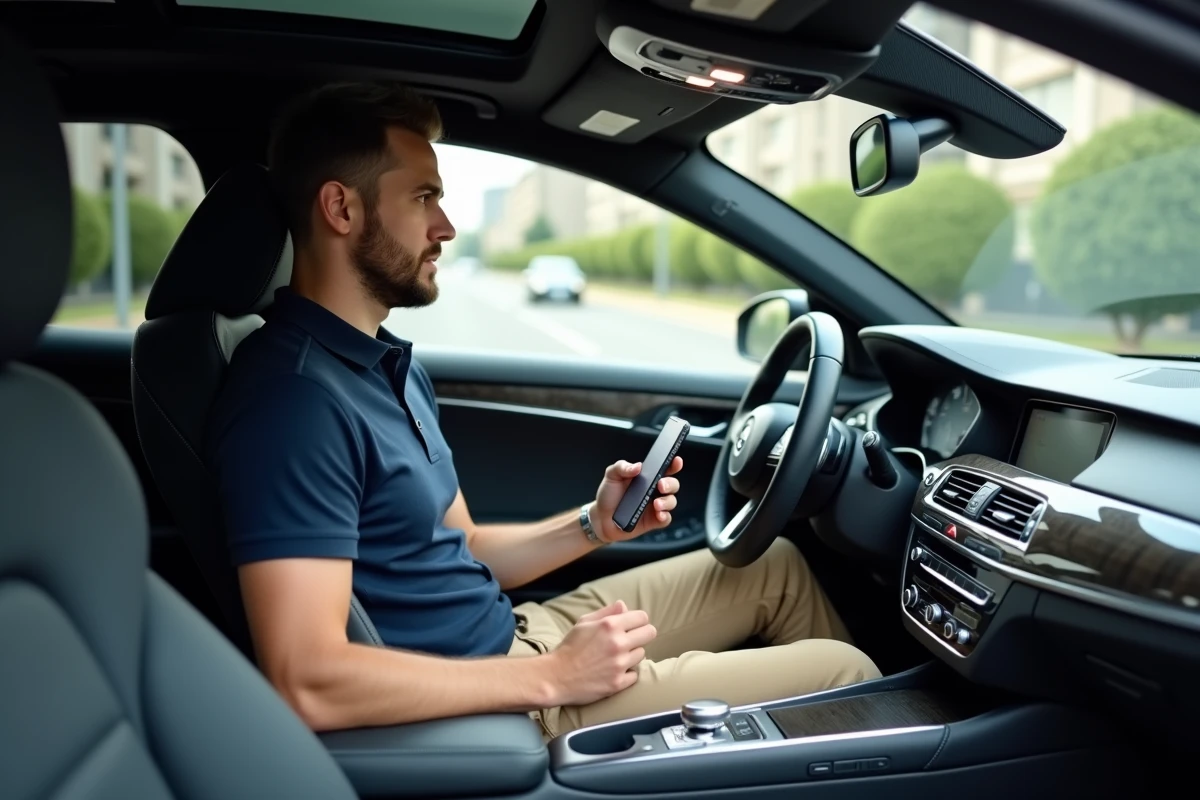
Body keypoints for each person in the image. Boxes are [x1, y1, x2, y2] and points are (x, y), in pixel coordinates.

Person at [206, 81, 881, 741]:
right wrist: (555, 677)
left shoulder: (381, 364)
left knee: (774, 568)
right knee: (843, 673)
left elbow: (467, 548)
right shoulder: (294, 403)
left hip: (517, 637)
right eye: (423, 197)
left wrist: (593, 524)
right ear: (341, 208)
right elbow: (307, 680)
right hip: (500, 699)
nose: (446, 227)